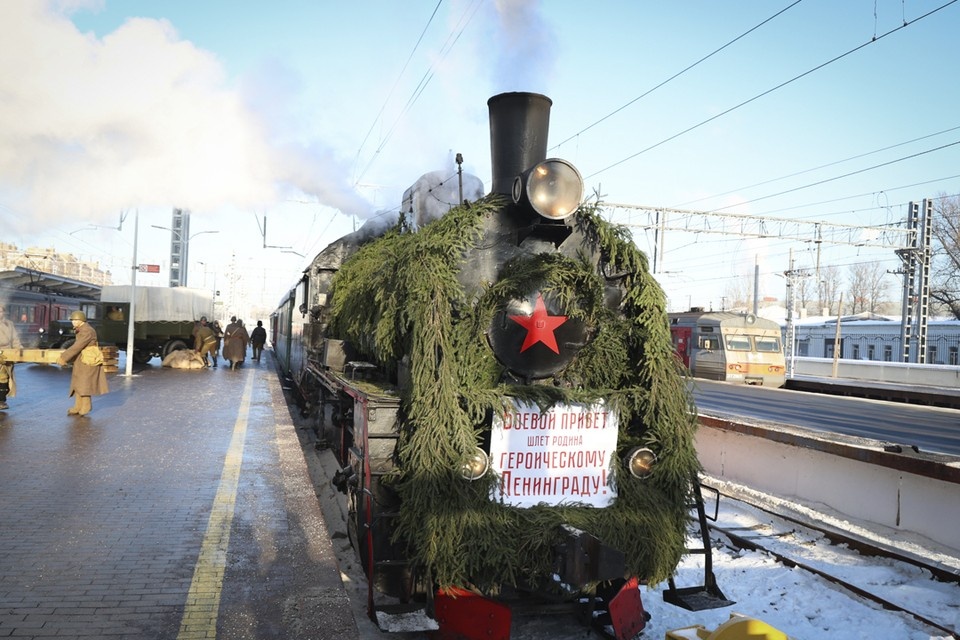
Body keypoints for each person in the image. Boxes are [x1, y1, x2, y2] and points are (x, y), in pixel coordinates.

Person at [57, 310, 109, 416]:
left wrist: (64, 357)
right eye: (73, 320)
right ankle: (78, 406)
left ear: (82, 320)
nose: (74, 322)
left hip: (88, 360)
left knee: (84, 383)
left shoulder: (86, 331)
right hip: (82, 359)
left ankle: (86, 406)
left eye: (76, 320)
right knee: (78, 382)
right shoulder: (81, 329)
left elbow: (78, 346)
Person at [0, 305, 23, 411]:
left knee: (5, 379)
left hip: (7, 354)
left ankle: (1, 401)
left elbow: (15, 339)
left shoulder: (9, 324)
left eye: (1, 312)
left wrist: (19, 349)